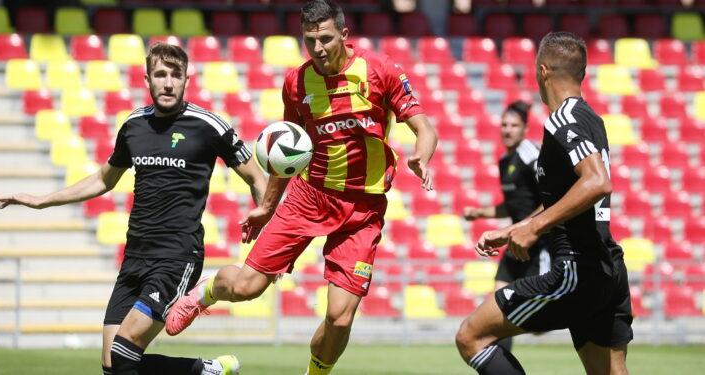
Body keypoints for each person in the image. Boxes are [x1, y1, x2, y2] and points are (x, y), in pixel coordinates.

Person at [165, 1, 438, 374]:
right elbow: (286, 149)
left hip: (363, 209)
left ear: (344, 34)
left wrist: (420, 157)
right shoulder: (296, 82)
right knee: (246, 287)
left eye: (325, 39)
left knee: (340, 319)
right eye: (310, 41)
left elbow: (425, 128)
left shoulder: (380, 70)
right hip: (309, 198)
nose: (319, 48)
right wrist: (267, 206)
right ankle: (204, 293)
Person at [0, 42, 267, 375]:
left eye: (175, 75)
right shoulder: (133, 126)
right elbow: (103, 179)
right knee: (113, 365)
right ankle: (207, 370)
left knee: (125, 353)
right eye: (160, 74)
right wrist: (43, 200)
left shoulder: (208, 126)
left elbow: (257, 178)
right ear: (147, 80)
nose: (168, 83)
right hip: (135, 257)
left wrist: (271, 242)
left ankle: (205, 370)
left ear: (186, 80)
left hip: (176, 256)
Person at [455, 32, 632, 375]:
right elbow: (568, 194)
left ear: (543, 71)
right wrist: (514, 229)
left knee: (471, 337)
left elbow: (597, 181)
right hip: (606, 266)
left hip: (576, 270)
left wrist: (534, 227)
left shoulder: (563, 119)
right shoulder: (591, 118)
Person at [463, 100, 551, 351]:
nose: (508, 130)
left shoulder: (531, 156)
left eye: (514, 125)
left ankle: (583, 313)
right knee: (499, 307)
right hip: (515, 243)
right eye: (504, 124)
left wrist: (527, 227)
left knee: (536, 323)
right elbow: (513, 204)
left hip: (537, 243)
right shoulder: (505, 161)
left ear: (524, 129)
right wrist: (481, 212)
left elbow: (550, 200)